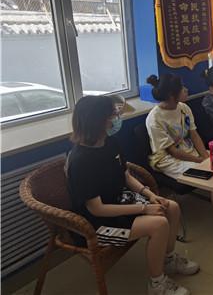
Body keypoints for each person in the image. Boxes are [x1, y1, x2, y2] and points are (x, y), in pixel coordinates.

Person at [66, 95, 198, 295]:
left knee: (171, 207)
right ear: (98, 121)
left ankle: (168, 259)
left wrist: (150, 195)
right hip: (95, 223)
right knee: (159, 224)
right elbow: (97, 209)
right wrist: (144, 208)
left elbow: (126, 176)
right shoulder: (80, 162)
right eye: (112, 116)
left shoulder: (110, 142)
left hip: (120, 201)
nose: (116, 119)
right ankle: (157, 283)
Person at [145, 73, 213, 244]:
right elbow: (173, 152)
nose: (186, 90)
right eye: (182, 88)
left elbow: (194, 135)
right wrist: (202, 162)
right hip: (169, 161)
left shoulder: (183, 108)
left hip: (191, 154)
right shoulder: (155, 118)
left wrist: (206, 157)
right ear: (172, 95)